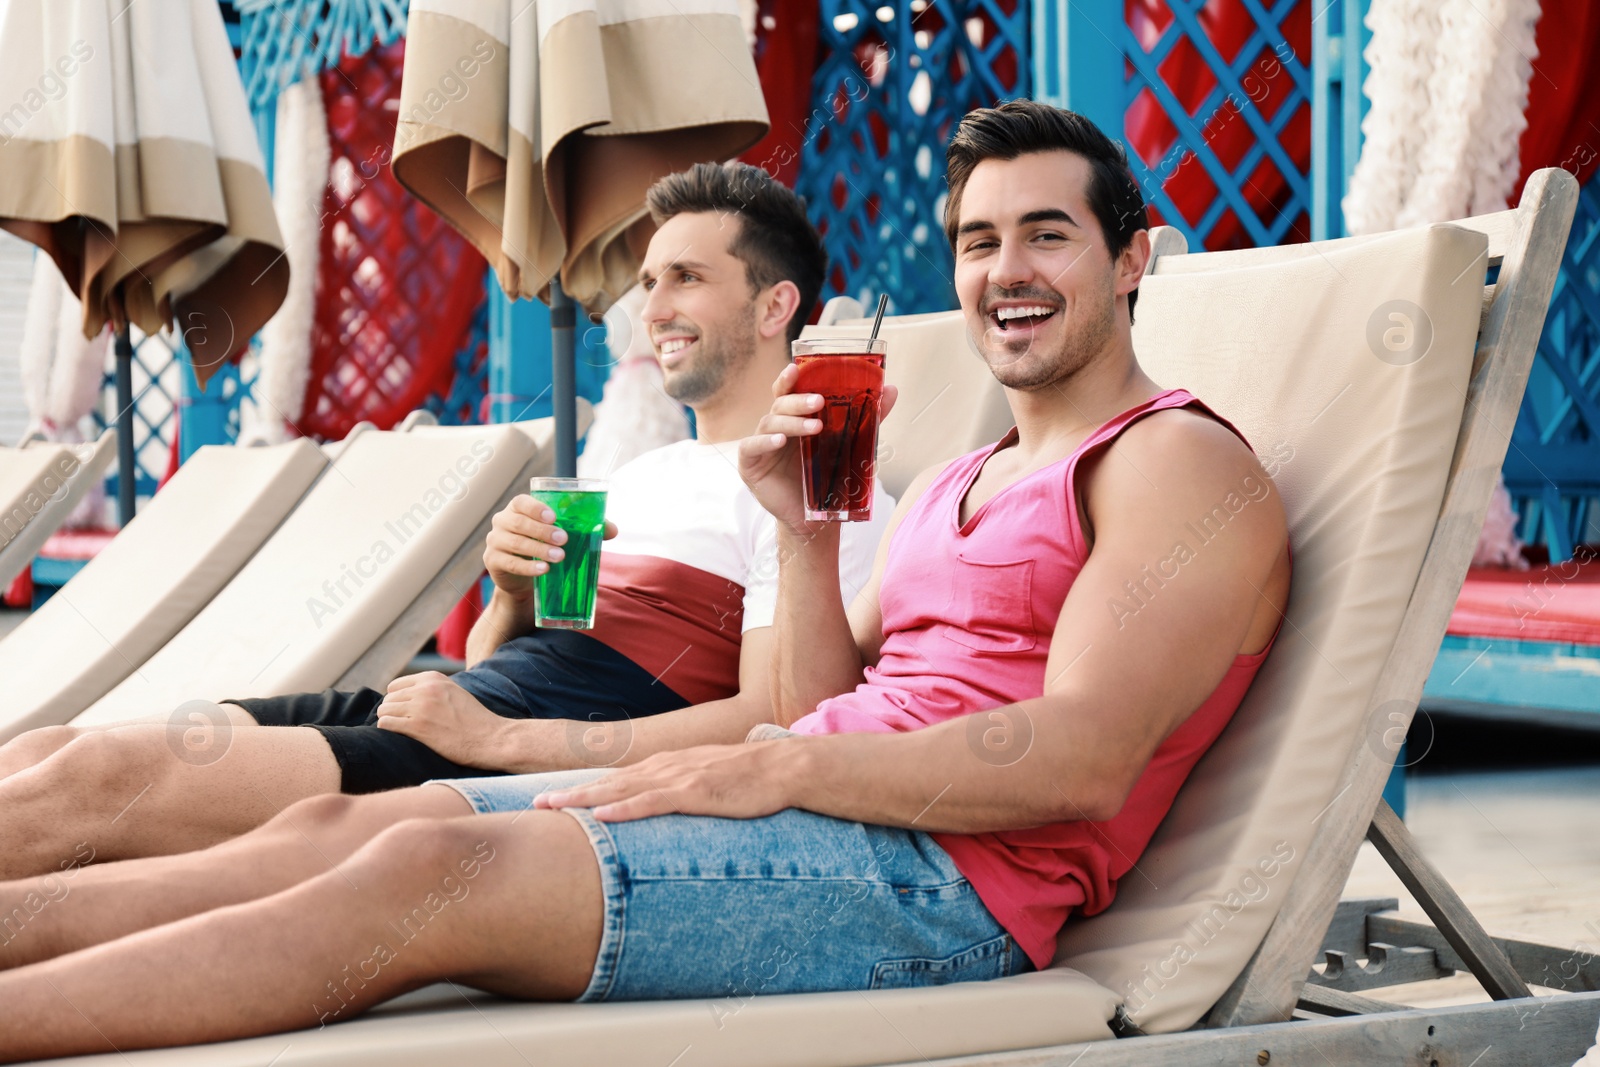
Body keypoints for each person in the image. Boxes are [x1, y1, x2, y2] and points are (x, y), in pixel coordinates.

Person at [0, 101, 1292, 1061]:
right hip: (824, 806)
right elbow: (815, 697)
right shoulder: (963, 479)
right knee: (349, 829)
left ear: (1133, 259)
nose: (1004, 270)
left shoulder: (1177, 465)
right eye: (977, 241)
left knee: (416, 881)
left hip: (951, 880)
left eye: (1047, 235)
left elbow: (1082, 758)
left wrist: (786, 766)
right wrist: (796, 532)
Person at [0, 162, 891, 879]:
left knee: (98, 783)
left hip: (502, 762)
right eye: (649, 281)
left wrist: (505, 743)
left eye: (687, 279)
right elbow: (503, 659)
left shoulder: (817, 488)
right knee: (50, 748)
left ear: (776, 306)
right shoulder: (643, 473)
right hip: (458, 712)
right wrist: (508, 592)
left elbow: (780, 719)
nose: (652, 309)